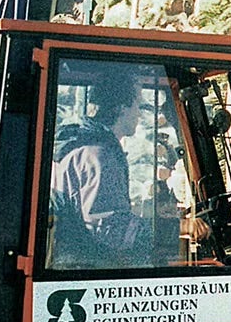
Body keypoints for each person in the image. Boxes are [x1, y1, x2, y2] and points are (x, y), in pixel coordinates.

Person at [49, 67, 209, 269]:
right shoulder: (98, 155)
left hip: (78, 259)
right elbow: (111, 228)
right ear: (122, 108)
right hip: (93, 267)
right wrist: (180, 226)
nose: (139, 114)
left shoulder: (82, 145)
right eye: (137, 105)